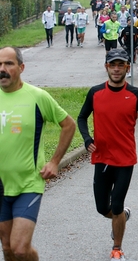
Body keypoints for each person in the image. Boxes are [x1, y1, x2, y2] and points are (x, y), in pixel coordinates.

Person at [77, 49, 138, 261]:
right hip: (102, 158)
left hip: (125, 159)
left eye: (120, 65)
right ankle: (121, 217)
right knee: (103, 208)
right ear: (106, 67)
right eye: (112, 65)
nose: (116, 69)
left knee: (117, 203)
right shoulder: (95, 93)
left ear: (127, 67)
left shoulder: (136, 94)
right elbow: (81, 118)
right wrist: (87, 140)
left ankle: (117, 249)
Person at [0, 47, 76, 260]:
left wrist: (54, 162)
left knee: (20, 249)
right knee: (7, 248)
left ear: (21, 67)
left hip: (28, 183)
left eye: (8, 64)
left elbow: (68, 125)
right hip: (0, 185)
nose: (2, 69)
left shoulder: (37, 97)